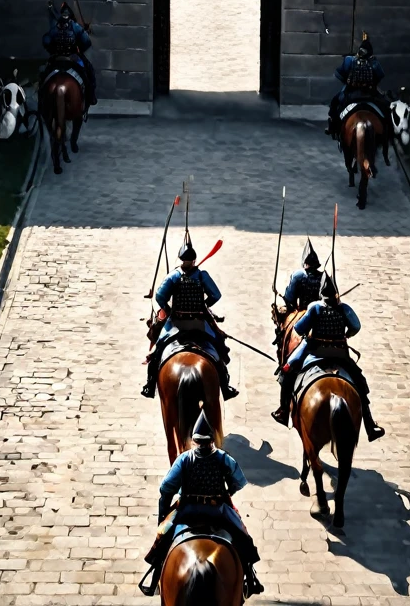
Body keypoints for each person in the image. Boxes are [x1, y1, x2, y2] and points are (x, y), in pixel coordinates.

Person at [139, 409, 263, 597]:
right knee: (243, 537)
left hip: (187, 510)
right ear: (211, 439)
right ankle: (250, 578)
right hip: (218, 510)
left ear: (195, 440)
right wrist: (229, 491)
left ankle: (155, 577)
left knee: (162, 539)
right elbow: (238, 481)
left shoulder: (184, 459)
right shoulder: (223, 458)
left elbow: (166, 489)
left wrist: (163, 515)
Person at [271, 271, 385, 441]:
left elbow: (299, 329)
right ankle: (370, 425)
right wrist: (346, 335)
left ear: (321, 294)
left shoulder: (315, 307)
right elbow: (356, 326)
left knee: (287, 370)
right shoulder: (344, 308)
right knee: (359, 383)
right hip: (340, 353)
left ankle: (283, 411)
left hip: (315, 350)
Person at [141, 237, 239, 401]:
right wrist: (204, 305)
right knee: (219, 348)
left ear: (182, 259)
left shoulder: (173, 276)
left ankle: (149, 386)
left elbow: (159, 297)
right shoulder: (202, 276)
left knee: (156, 352)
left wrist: (168, 310)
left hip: (176, 324)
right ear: (194, 260)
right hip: (199, 323)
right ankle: (225, 387)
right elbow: (216, 295)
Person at [327, 32, 389, 142]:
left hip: (351, 91)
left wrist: (348, 82)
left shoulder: (349, 60)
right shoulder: (374, 62)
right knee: (386, 105)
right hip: (370, 93)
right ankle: (389, 132)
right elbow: (380, 76)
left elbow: (339, 74)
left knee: (335, 103)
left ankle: (333, 128)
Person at [42, 0, 97, 106]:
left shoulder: (55, 27)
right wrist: (79, 47)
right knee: (89, 72)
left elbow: (46, 41)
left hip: (56, 58)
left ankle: (41, 99)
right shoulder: (75, 26)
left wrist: (52, 50)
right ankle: (91, 96)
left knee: (44, 75)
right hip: (73, 58)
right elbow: (86, 42)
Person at [281, 239, 324, 312]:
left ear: (306, 264)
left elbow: (289, 298)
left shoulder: (298, 275)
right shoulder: (324, 276)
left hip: (305, 312)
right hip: (323, 312)